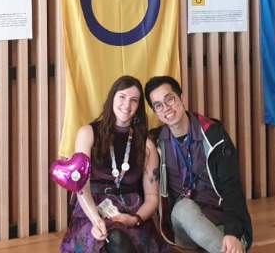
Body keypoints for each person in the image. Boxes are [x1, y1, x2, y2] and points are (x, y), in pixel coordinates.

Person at [60, 76, 173, 253]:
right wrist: (96, 220)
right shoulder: (87, 133)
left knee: (122, 241)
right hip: (91, 210)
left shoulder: (147, 145)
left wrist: (134, 219)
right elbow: (81, 186)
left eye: (133, 100)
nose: (127, 105)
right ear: (112, 98)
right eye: (122, 97)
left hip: (131, 214)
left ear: (138, 108)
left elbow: (152, 198)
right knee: (111, 240)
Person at [145, 75, 253, 253]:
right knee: (184, 208)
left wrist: (233, 232)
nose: (166, 108)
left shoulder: (213, 134)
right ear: (156, 112)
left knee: (222, 242)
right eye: (158, 105)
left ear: (182, 98)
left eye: (169, 99)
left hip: (221, 221)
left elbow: (232, 186)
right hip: (184, 224)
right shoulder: (156, 143)